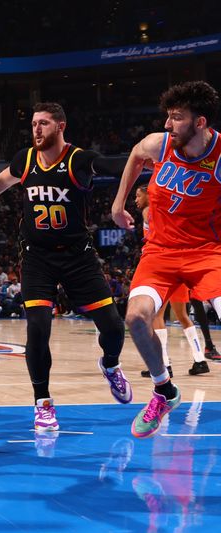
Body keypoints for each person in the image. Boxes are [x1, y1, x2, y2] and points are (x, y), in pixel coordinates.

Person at [0, 102, 131, 432]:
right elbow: (1, 182)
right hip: (37, 258)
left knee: (114, 327)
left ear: (61, 126)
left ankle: (111, 365)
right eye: (33, 124)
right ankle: (42, 401)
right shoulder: (25, 159)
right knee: (38, 328)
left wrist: (146, 156)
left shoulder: (79, 160)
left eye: (43, 123)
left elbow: (114, 165)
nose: (36, 130)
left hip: (78, 257)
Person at [112, 80, 221, 438]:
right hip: (160, 251)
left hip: (208, 250)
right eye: (168, 117)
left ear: (200, 123)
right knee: (136, 317)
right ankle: (164, 390)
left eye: (176, 118)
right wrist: (117, 204)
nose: (168, 125)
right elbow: (134, 154)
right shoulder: (161, 144)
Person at [134, 185, 211, 377]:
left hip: (163, 266)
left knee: (157, 317)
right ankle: (199, 359)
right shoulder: (170, 209)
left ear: (148, 194)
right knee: (183, 316)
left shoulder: (149, 211)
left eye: (138, 195)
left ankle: (164, 364)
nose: (135, 200)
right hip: (182, 263)